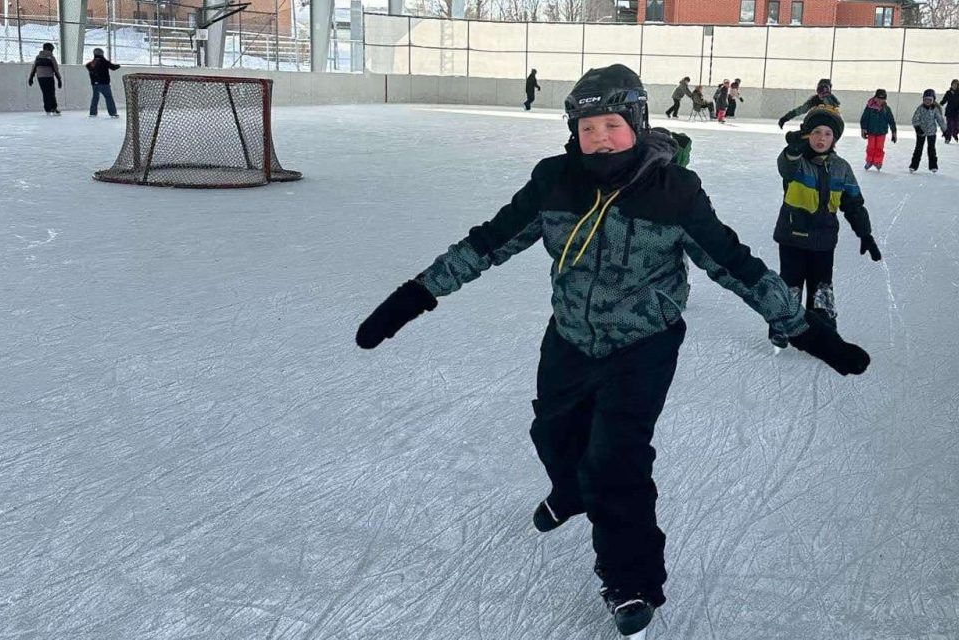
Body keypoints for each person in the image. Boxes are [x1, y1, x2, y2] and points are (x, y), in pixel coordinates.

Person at [355, 63, 870, 639]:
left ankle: (631, 580)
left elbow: (735, 264)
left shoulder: (674, 192)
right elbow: (487, 243)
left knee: (617, 460)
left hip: (644, 345)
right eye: (587, 127)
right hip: (571, 336)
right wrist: (415, 295)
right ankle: (571, 490)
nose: (598, 138)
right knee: (551, 433)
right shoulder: (555, 182)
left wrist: (804, 330)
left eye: (611, 125)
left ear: (638, 123)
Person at [773, 106, 882, 340]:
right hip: (793, 236)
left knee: (821, 287)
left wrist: (865, 234)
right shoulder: (797, 161)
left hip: (823, 240)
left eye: (827, 134)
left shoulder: (841, 168)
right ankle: (783, 326)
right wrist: (792, 149)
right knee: (790, 284)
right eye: (816, 132)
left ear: (834, 139)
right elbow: (785, 166)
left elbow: (853, 204)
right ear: (807, 135)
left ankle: (822, 328)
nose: (821, 138)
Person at [909, 89, 947, 173]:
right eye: (926, 99)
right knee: (918, 149)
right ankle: (913, 165)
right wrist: (917, 128)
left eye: (930, 100)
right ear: (923, 100)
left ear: (933, 100)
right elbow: (915, 119)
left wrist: (945, 131)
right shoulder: (920, 108)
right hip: (921, 132)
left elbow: (940, 120)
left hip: (931, 132)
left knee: (931, 149)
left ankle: (933, 166)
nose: (927, 101)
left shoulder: (935, 109)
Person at [859, 88, 897, 171]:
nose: (880, 101)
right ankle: (869, 161)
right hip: (871, 131)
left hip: (881, 132)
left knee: (879, 147)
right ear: (875, 98)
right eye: (879, 98)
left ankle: (878, 161)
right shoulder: (869, 108)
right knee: (871, 147)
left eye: (882, 99)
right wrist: (863, 129)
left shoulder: (886, 109)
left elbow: (891, 121)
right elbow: (864, 118)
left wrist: (894, 132)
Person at [28, 43, 62, 115]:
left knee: (45, 93)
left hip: (40, 78)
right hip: (49, 77)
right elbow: (56, 69)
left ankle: (47, 110)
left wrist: (31, 78)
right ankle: (54, 108)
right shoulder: (51, 57)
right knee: (51, 93)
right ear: (49, 48)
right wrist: (59, 79)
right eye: (52, 48)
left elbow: (34, 68)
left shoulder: (38, 57)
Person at [86, 48, 121, 118]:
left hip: (95, 84)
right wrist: (118, 66)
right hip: (104, 83)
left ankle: (93, 113)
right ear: (102, 54)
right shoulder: (104, 62)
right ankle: (113, 113)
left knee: (95, 97)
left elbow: (88, 66)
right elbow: (113, 67)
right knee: (108, 97)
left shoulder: (90, 64)